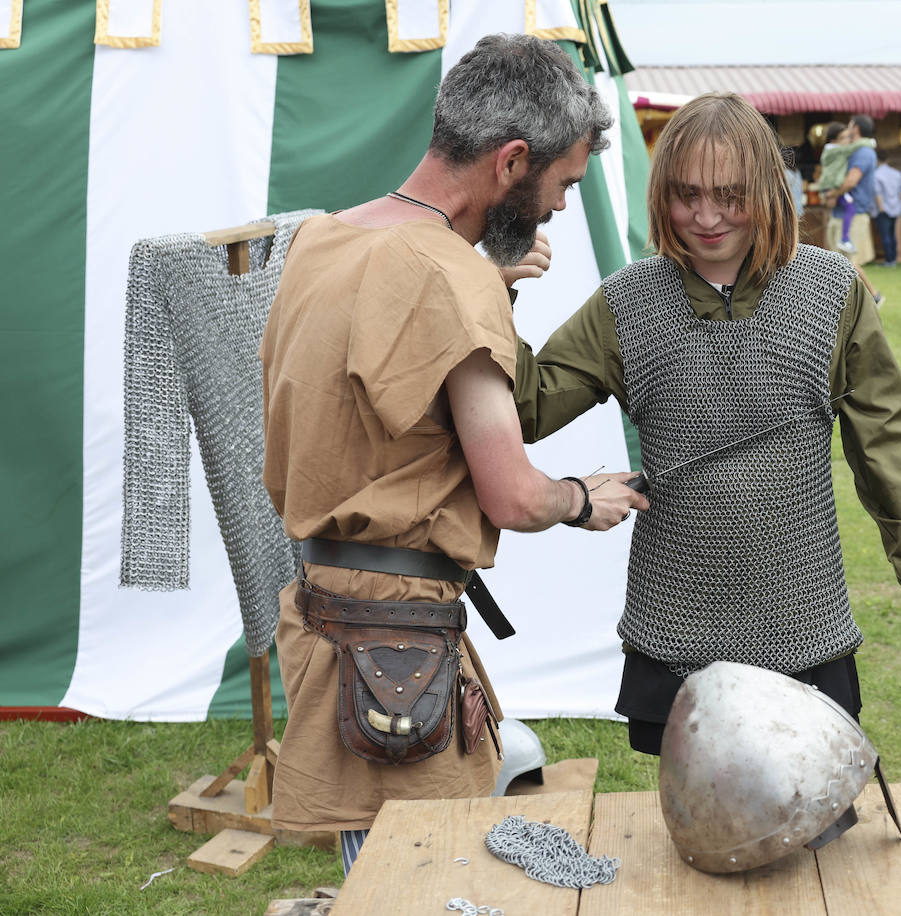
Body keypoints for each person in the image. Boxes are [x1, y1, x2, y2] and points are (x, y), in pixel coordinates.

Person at [257, 34, 648, 874]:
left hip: (330, 605)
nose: (560, 208)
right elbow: (511, 495)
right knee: (412, 877)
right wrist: (582, 497)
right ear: (513, 160)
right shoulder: (450, 278)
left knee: (372, 864)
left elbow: (373, 395)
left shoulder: (321, 240)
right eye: (563, 183)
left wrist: (488, 279)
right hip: (396, 639)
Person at [514, 92, 901, 756]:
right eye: (687, 194)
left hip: (800, 613)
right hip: (677, 613)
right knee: (694, 834)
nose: (708, 216)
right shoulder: (628, 302)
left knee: (813, 819)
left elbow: (887, 444)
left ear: (765, 190)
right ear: (662, 193)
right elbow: (528, 406)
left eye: (729, 194)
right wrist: (491, 293)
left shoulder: (831, 290)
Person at [823, 114, 884, 304]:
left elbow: (851, 181)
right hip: (842, 212)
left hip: (854, 213)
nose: (847, 129)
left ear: (855, 128)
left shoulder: (864, 152)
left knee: (848, 263)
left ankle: (874, 297)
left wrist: (832, 195)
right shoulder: (851, 150)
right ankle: (841, 304)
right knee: (837, 263)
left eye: (849, 125)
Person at [816, 121, 873, 255]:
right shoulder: (835, 150)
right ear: (834, 140)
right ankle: (845, 239)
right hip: (831, 186)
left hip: (832, 187)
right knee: (850, 206)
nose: (848, 140)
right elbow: (850, 181)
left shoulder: (836, 150)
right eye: (844, 137)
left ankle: (845, 239)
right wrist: (869, 142)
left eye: (849, 135)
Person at [873, 149, 901, 267]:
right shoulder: (897, 173)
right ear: (888, 159)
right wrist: (900, 206)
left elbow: (878, 193)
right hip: (895, 207)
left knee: (885, 235)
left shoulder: (876, 174)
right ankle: (894, 259)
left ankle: (889, 260)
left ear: (877, 160)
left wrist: (881, 208)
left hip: (883, 208)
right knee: (892, 235)